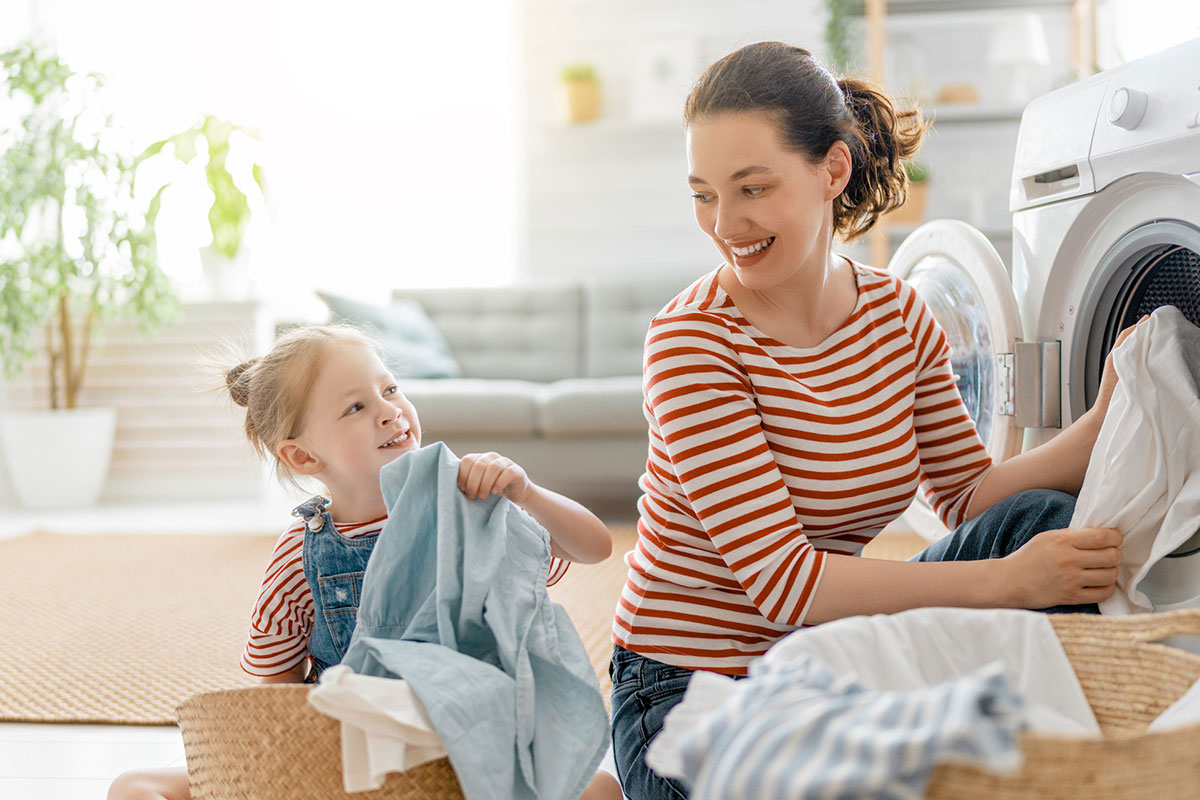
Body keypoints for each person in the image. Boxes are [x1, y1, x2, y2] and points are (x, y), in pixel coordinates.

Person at [609, 41, 1133, 800]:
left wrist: (1110, 414)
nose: (725, 223)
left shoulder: (897, 314)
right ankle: (614, 775)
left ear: (832, 170)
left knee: (1039, 522)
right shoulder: (692, 340)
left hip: (837, 655)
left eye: (751, 188)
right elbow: (785, 585)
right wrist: (1006, 585)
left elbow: (966, 495)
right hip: (690, 685)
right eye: (703, 194)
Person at [108, 324, 614, 800]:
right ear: (303, 457)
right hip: (344, 750)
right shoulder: (299, 553)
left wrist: (525, 492)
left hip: (468, 740)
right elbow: (272, 691)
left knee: (604, 791)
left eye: (390, 389)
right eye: (355, 407)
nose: (390, 410)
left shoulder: (469, 507)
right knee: (134, 786)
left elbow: (594, 547)